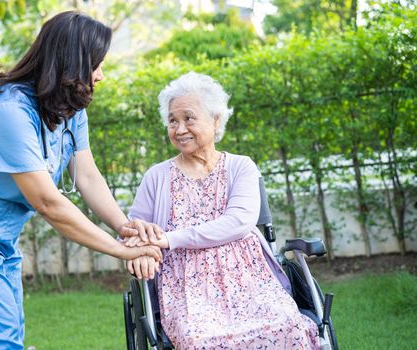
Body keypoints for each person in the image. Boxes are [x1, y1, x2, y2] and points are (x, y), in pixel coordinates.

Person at [0, 11, 162, 349]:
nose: (101, 75)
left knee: (7, 333)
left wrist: (126, 228)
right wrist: (119, 251)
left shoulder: (69, 107)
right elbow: (47, 202)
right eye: (96, 64)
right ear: (71, 64)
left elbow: (87, 176)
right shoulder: (9, 110)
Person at [124, 72, 319, 349]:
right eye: (172, 121)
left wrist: (169, 239)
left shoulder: (241, 167)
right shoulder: (156, 177)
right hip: (186, 289)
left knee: (286, 323)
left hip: (251, 280)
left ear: (216, 120)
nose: (179, 129)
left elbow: (238, 221)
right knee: (197, 339)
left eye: (188, 118)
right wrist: (139, 252)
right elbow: (134, 230)